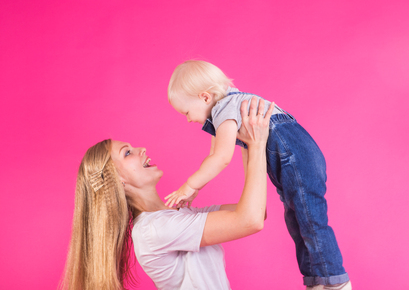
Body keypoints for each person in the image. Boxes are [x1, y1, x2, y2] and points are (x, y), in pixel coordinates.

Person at [165, 60, 351, 290]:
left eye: (186, 112)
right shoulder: (229, 105)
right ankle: (315, 281)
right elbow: (213, 155)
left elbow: (221, 158)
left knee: (312, 222)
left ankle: (336, 282)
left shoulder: (224, 108)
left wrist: (189, 186)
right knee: (297, 222)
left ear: (204, 97)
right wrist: (197, 188)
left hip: (296, 157)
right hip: (293, 159)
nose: (188, 119)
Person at [60, 97, 274, 290]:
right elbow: (250, 220)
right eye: (127, 153)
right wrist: (256, 145)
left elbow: (256, 211)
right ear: (117, 180)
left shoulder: (178, 217)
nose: (141, 149)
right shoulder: (151, 230)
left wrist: (246, 143)